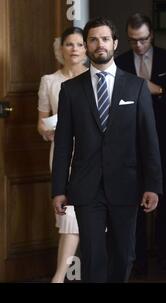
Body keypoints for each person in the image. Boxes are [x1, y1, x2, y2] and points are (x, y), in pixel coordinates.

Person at [51, 17, 162, 283]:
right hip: (86, 186)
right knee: (92, 255)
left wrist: (153, 185)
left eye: (104, 39)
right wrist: (58, 189)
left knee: (124, 253)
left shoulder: (136, 87)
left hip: (127, 184)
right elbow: (64, 143)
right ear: (87, 46)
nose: (98, 44)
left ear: (114, 43)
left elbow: (149, 140)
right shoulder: (70, 90)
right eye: (93, 39)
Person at [115, 13, 166, 273]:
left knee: (165, 196)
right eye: (133, 40)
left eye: (143, 40)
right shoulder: (120, 61)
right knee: (132, 198)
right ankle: (137, 262)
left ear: (152, 36)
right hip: (129, 139)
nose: (138, 46)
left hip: (162, 135)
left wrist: (157, 89)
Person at [37, 27, 88, 283]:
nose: (75, 49)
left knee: (82, 218)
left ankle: (59, 279)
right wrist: (46, 131)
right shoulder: (49, 81)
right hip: (61, 153)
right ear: (61, 49)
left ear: (86, 49)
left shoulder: (96, 79)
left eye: (79, 44)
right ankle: (61, 278)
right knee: (69, 215)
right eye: (70, 44)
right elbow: (41, 121)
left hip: (89, 154)